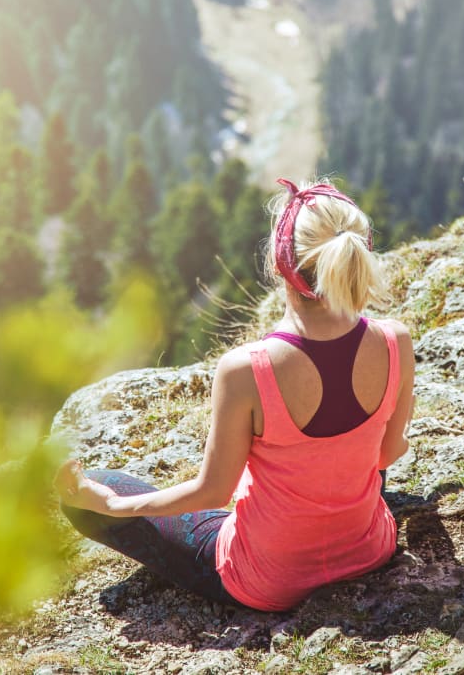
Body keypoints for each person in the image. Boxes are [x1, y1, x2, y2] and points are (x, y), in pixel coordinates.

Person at [56, 177, 415, 612]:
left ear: (280, 263)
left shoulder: (249, 369)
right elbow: (388, 452)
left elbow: (211, 493)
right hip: (368, 553)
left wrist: (114, 504)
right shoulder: (396, 341)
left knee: (99, 486)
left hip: (267, 582)